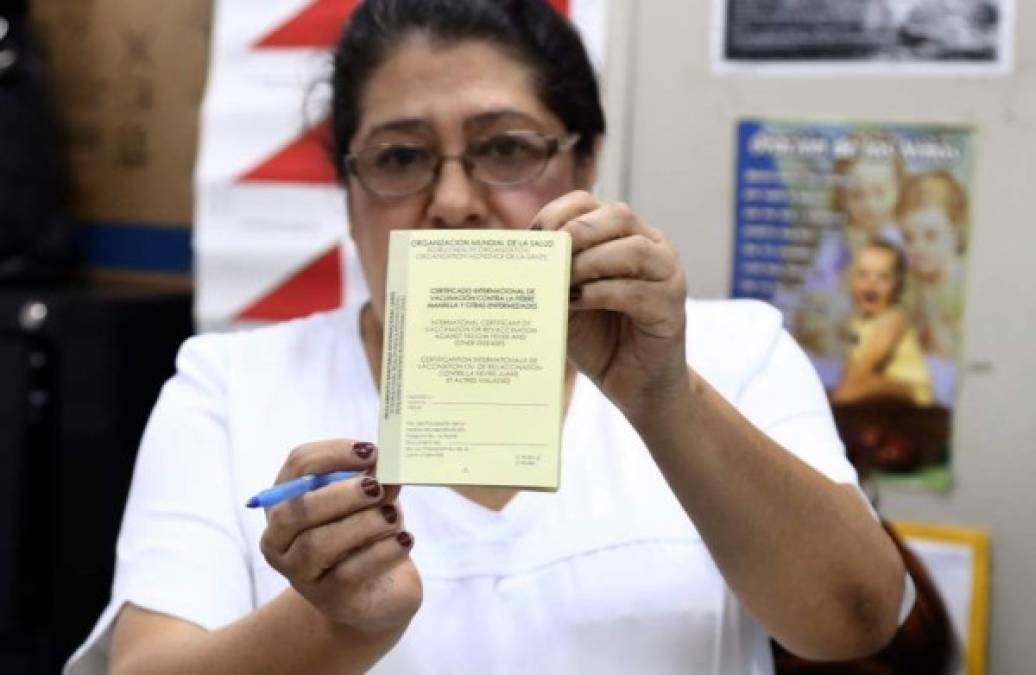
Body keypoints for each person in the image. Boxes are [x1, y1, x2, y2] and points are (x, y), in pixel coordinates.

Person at [67, 2, 910, 674]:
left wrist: (665, 400)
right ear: (348, 190)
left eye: (504, 147)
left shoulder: (733, 350)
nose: (455, 201)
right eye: (400, 158)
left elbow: (855, 621)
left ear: (584, 164)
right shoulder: (230, 384)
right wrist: (336, 628)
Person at [793, 151, 905, 360]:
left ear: (898, 190)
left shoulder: (905, 243)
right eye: (857, 195)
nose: (869, 205)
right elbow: (813, 301)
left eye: (879, 193)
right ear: (842, 197)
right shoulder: (834, 243)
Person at [831, 240, 933, 407]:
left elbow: (866, 365)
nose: (872, 283)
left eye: (883, 277)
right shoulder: (857, 321)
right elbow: (852, 365)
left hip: (912, 393)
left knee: (859, 386)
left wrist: (839, 398)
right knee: (850, 383)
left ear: (897, 286)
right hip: (879, 395)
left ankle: (830, 414)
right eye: (863, 274)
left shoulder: (893, 319)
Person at [897, 170, 968, 361]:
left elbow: (949, 354)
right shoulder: (911, 281)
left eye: (931, 236)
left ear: (957, 232)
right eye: (908, 238)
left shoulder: (962, 285)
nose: (917, 248)